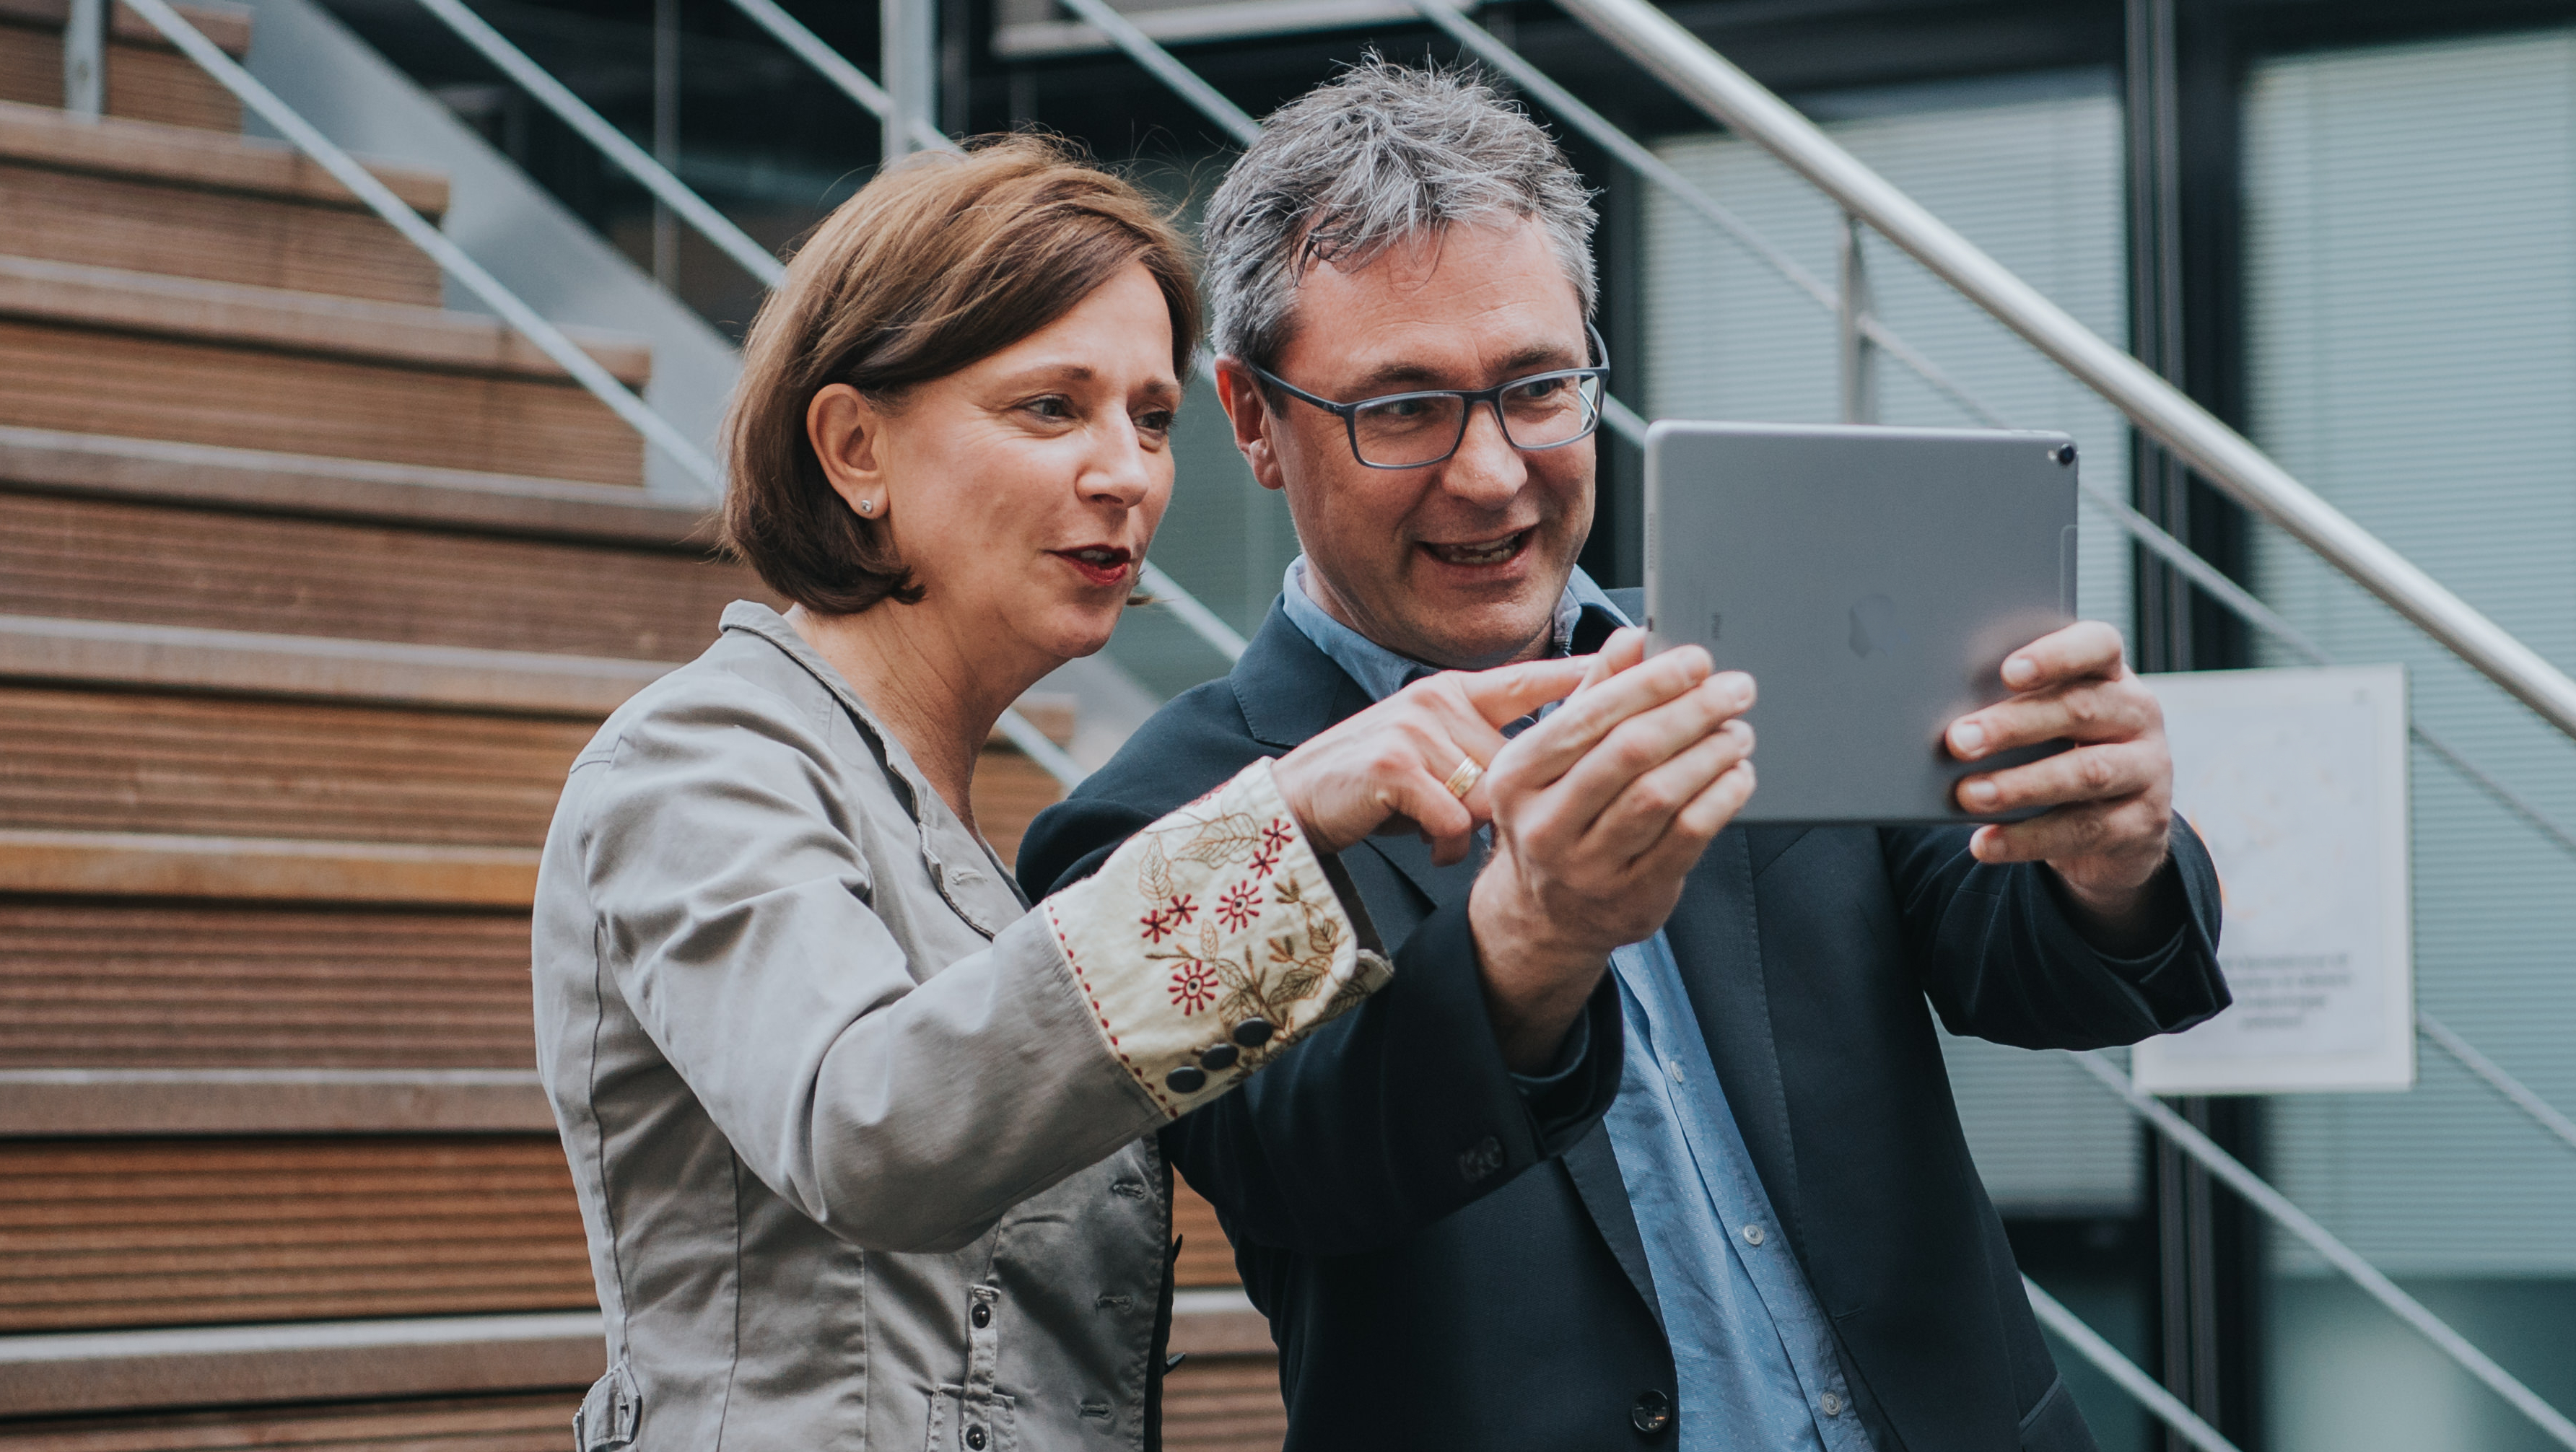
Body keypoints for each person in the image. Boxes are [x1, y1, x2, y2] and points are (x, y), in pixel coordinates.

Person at [1018, 64, 2228, 1452]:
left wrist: (2108, 857)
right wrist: (1532, 942)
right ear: (1251, 421)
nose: (1489, 474)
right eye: (1400, 410)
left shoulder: (1763, 647)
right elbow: (1297, 1169)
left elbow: (2034, 970)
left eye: (1536, 386)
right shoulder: (1159, 817)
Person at [529, 136, 1660, 1452]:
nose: (1125, 471)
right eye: (1049, 409)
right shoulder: (700, 758)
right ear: (852, 448)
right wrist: (1280, 818)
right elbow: (871, 1128)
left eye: (1150, 416)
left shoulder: (945, 816)